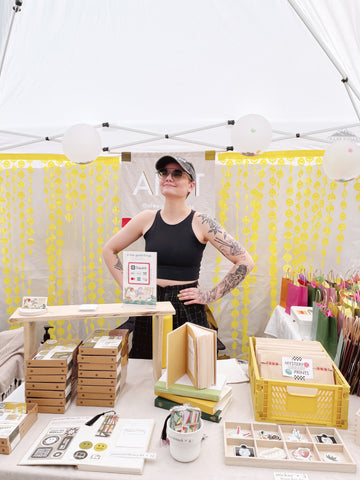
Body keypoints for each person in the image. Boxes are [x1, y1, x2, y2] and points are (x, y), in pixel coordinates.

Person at [102, 155, 254, 358]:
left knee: (189, 369)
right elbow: (109, 250)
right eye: (164, 173)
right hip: (149, 305)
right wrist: (128, 287)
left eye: (177, 173)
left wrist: (211, 295)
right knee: (146, 368)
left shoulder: (202, 222)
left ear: (191, 185)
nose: (168, 177)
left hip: (186, 306)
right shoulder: (146, 218)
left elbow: (245, 261)